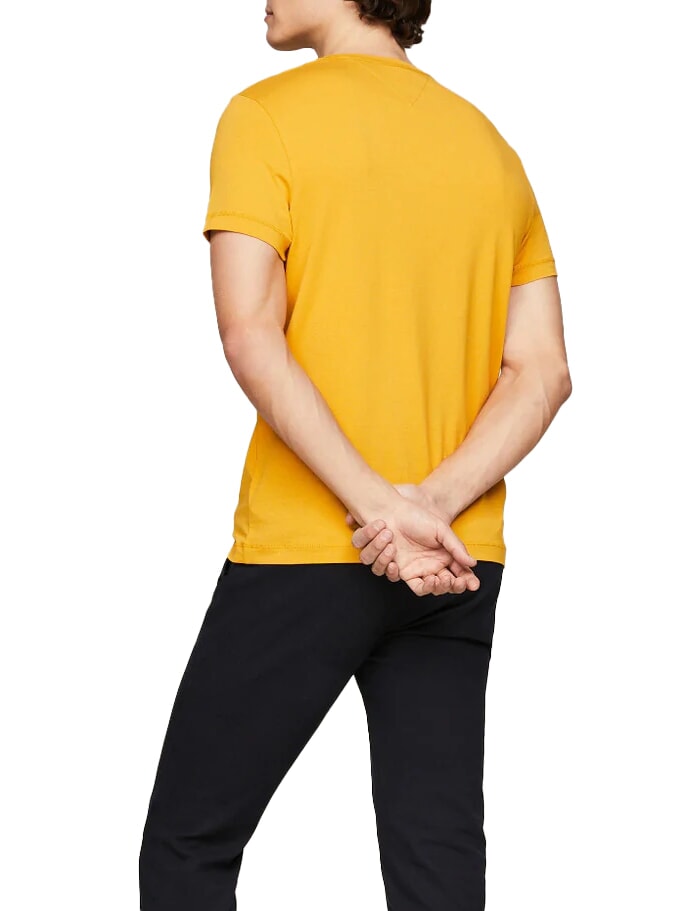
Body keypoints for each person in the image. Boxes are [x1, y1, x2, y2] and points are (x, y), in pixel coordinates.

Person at [138, 1, 572, 909]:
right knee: (436, 866)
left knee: (189, 843)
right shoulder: (489, 148)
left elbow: (250, 332)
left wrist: (381, 508)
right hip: (453, 558)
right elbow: (542, 371)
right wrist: (431, 507)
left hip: (314, 547)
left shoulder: (265, 116)